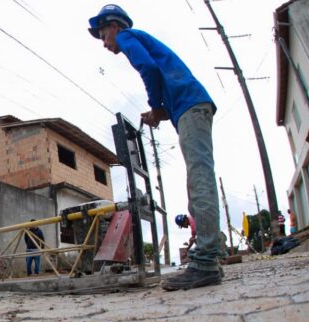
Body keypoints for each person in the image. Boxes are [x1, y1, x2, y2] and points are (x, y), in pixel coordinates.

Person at [89, 5, 222, 291]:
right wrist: (160, 111)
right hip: (190, 107)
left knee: (200, 177)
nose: (104, 43)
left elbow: (147, 67)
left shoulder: (127, 37)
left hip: (191, 107)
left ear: (115, 26)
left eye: (103, 34)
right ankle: (207, 258)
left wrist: (155, 106)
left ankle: (207, 262)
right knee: (196, 180)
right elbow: (157, 70)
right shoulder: (137, 39)